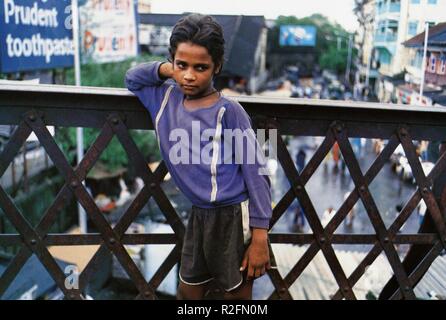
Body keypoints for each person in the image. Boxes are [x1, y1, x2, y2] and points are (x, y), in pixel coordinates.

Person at [125, 14, 272, 300]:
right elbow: (133, 79)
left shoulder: (229, 111)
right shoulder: (164, 99)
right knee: (187, 291)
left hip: (232, 215)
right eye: (183, 65)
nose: (190, 75)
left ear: (217, 67)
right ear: (172, 62)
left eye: (201, 67)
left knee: (237, 296)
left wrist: (260, 235)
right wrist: (169, 70)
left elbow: (257, 171)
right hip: (198, 214)